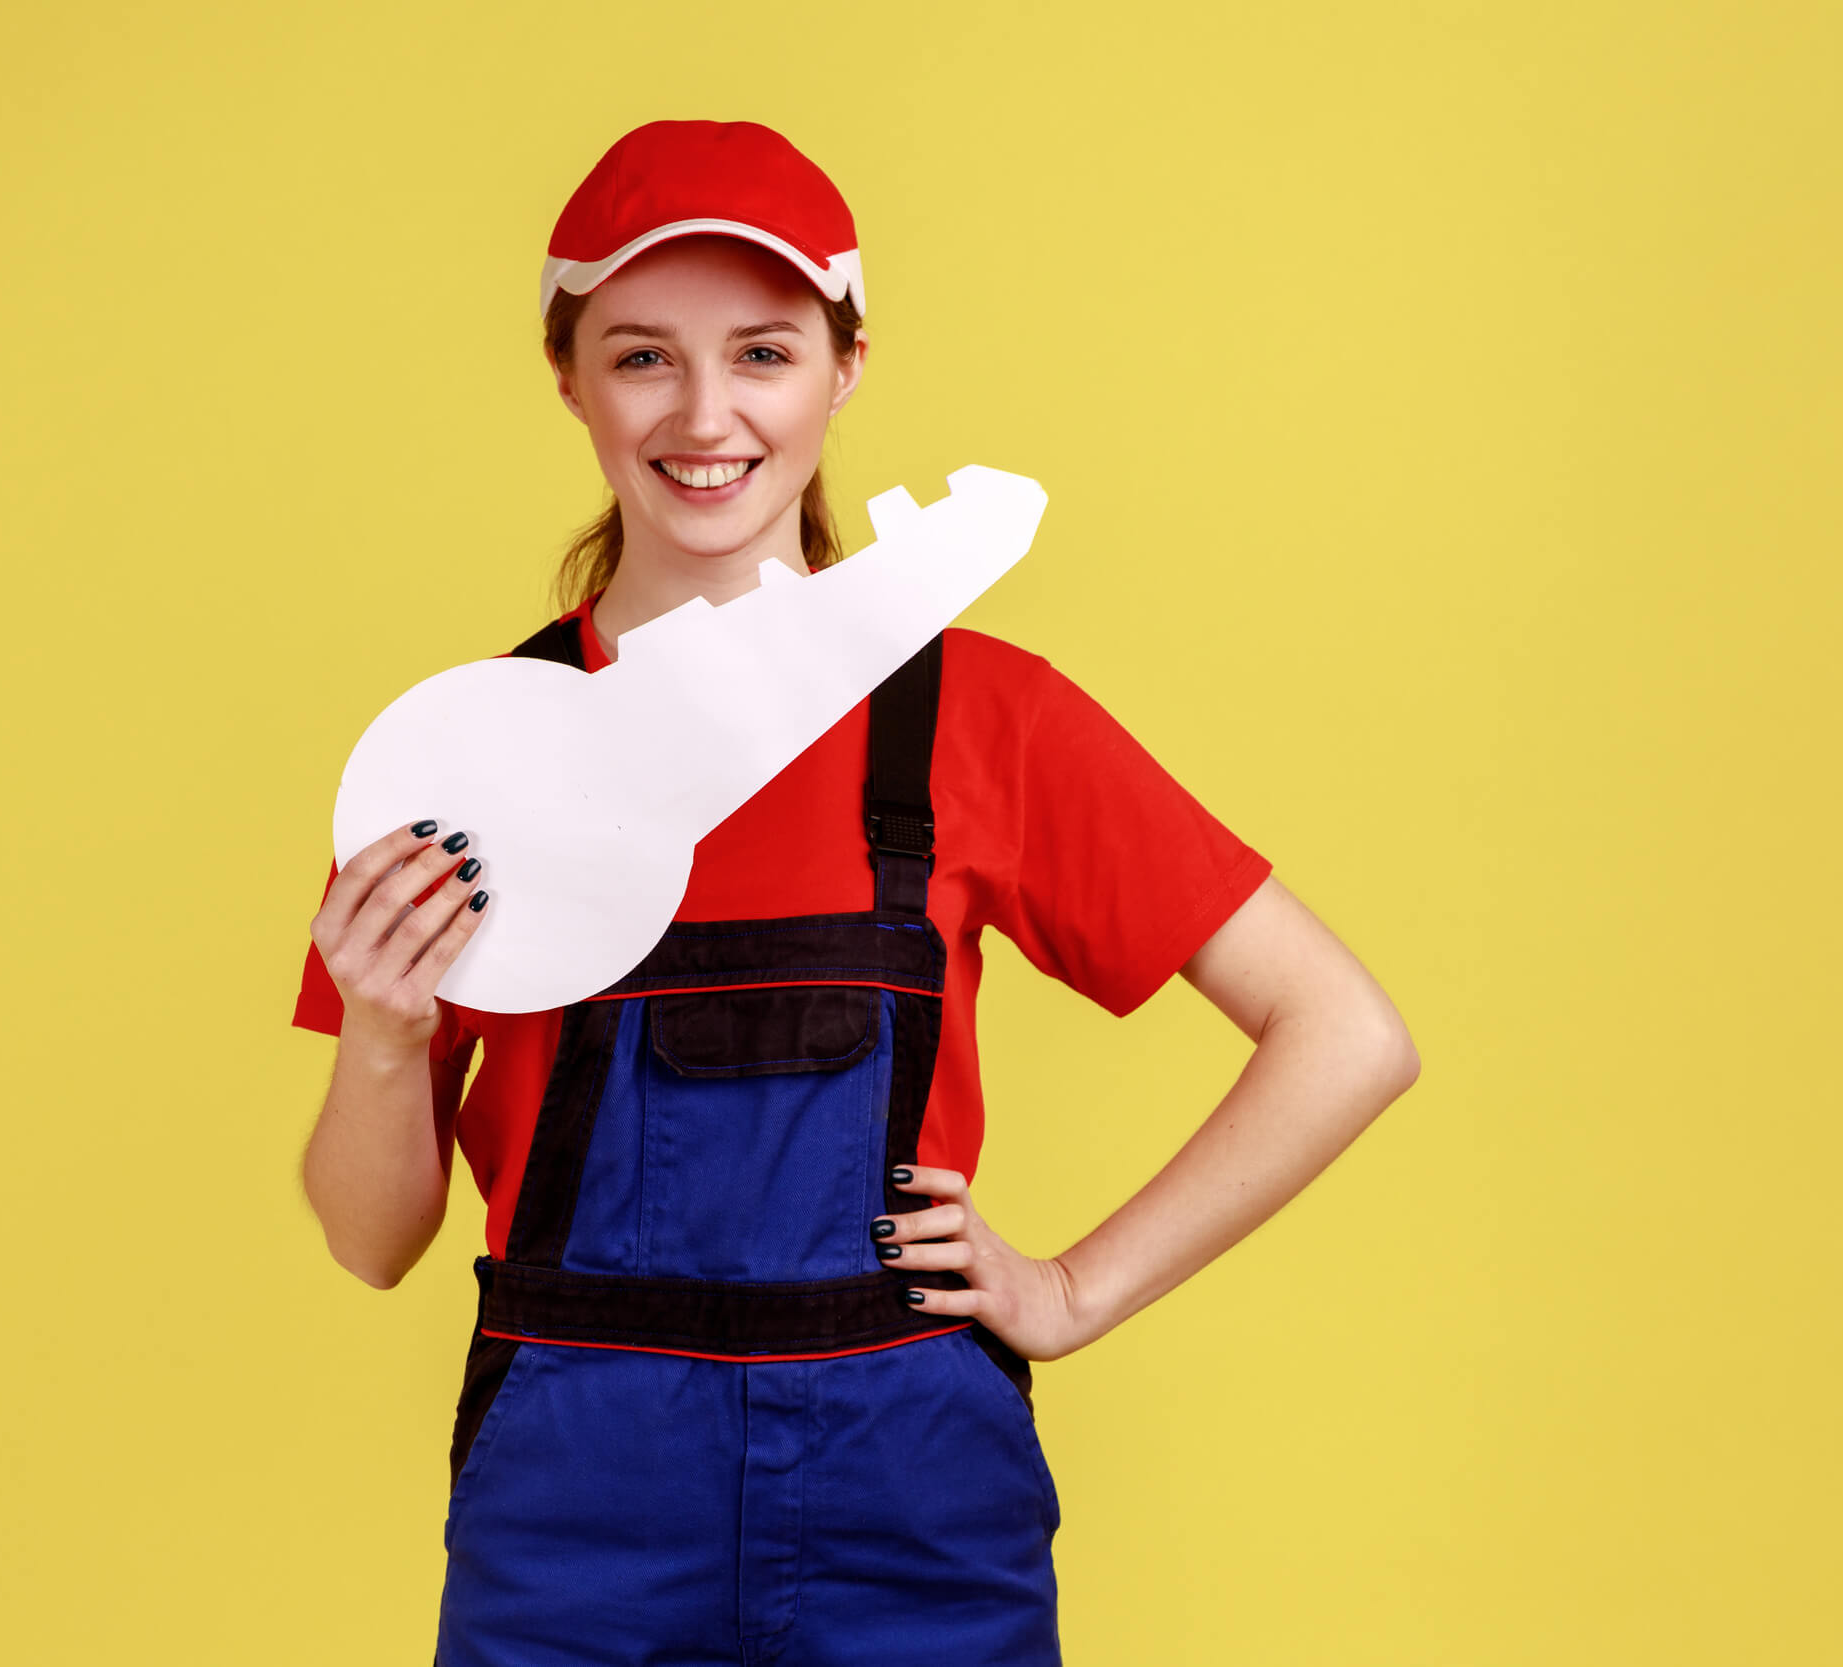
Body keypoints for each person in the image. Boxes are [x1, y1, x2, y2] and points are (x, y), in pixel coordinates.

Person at [293, 118, 1421, 1666]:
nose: (705, 414)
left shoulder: (981, 717)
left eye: (762, 352)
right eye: (641, 358)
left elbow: (1345, 1031)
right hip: (574, 1527)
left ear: (845, 366)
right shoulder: (470, 760)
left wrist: (1075, 1289)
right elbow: (372, 1240)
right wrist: (377, 1027)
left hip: (912, 1511)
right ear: (568, 376)